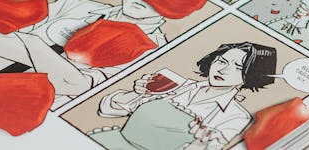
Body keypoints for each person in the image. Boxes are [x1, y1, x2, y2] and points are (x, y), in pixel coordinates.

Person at [0, 0, 169, 108]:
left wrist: (32, 43)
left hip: (20, 104)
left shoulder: (154, 49)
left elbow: (76, 85)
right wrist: (54, 64)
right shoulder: (76, 5)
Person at [91, 42, 277, 150]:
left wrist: (203, 140)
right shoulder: (178, 84)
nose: (224, 69)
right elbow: (109, 109)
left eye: (237, 68)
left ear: (250, 77)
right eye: (222, 60)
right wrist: (137, 93)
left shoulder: (236, 115)